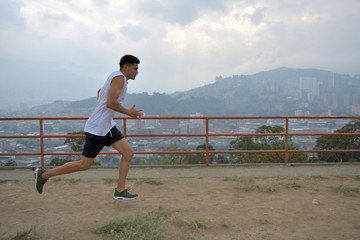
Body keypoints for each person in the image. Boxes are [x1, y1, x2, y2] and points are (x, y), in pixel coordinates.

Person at [34, 54, 143, 200]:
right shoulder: (119, 78)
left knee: (128, 153)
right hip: (97, 128)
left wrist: (103, 111)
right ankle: (44, 175)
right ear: (126, 67)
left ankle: (120, 190)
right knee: (84, 165)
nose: (137, 71)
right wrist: (129, 113)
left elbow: (100, 92)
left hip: (107, 126)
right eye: (135, 68)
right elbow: (110, 103)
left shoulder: (115, 77)